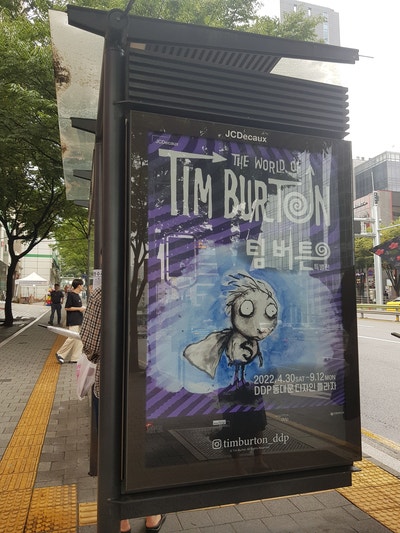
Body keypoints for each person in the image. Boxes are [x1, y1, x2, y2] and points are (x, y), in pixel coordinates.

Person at [80, 286, 166, 533]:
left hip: (111, 389)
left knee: (113, 453)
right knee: (145, 452)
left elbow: (91, 343)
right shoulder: (158, 289)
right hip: (149, 388)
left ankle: (121, 522)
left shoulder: (104, 291)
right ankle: (151, 516)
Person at [55, 278, 86, 364]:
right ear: (79, 286)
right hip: (73, 320)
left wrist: (81, 309)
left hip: (79, 319)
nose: (83, 287)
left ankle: (75, 357)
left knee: (79, 338)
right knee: (72, 337)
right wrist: (79, 308)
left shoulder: (77, 295)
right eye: (82, 285)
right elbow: (67, 308)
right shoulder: (71, 295)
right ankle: (60, 353)